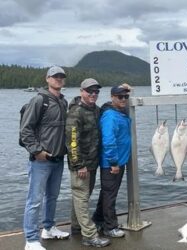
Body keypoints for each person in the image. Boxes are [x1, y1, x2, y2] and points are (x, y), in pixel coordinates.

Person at [20, 66, 70, 250]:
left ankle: (48, 229)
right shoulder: (39, 100)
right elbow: (26, 130)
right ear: (47, 79)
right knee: (34, 200)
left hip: (58, 159)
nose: (58, 79)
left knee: (52, 197)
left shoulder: (63, 102)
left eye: (61, 77)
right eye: (55, 76)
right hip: (41, 160)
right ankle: (31, 239)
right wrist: (36, 151)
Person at [65, 78, 110, 247]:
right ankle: (89, 235)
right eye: (90, 91)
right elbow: (72, 141)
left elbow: (108, 107)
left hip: (92, 163)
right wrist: (79, 165)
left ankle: (77, 227)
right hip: (82, 165)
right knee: (82, 197)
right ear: (81, 91)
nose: (93, 94)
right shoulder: (76, 112)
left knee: (81, 197)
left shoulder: (96, 110)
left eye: (96, 91)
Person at [92, 84, 132, 238]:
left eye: (126, 97)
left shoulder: (119, 112)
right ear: (112, 97)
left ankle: (98, 219)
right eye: (120, 97)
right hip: (112, 163)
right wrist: (114, 162)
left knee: (106, 193)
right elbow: (108, 140)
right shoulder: (110, 115)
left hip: (118, 161)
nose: (123, 99)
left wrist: (129, 88)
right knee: (110, 195)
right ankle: (110, 227)